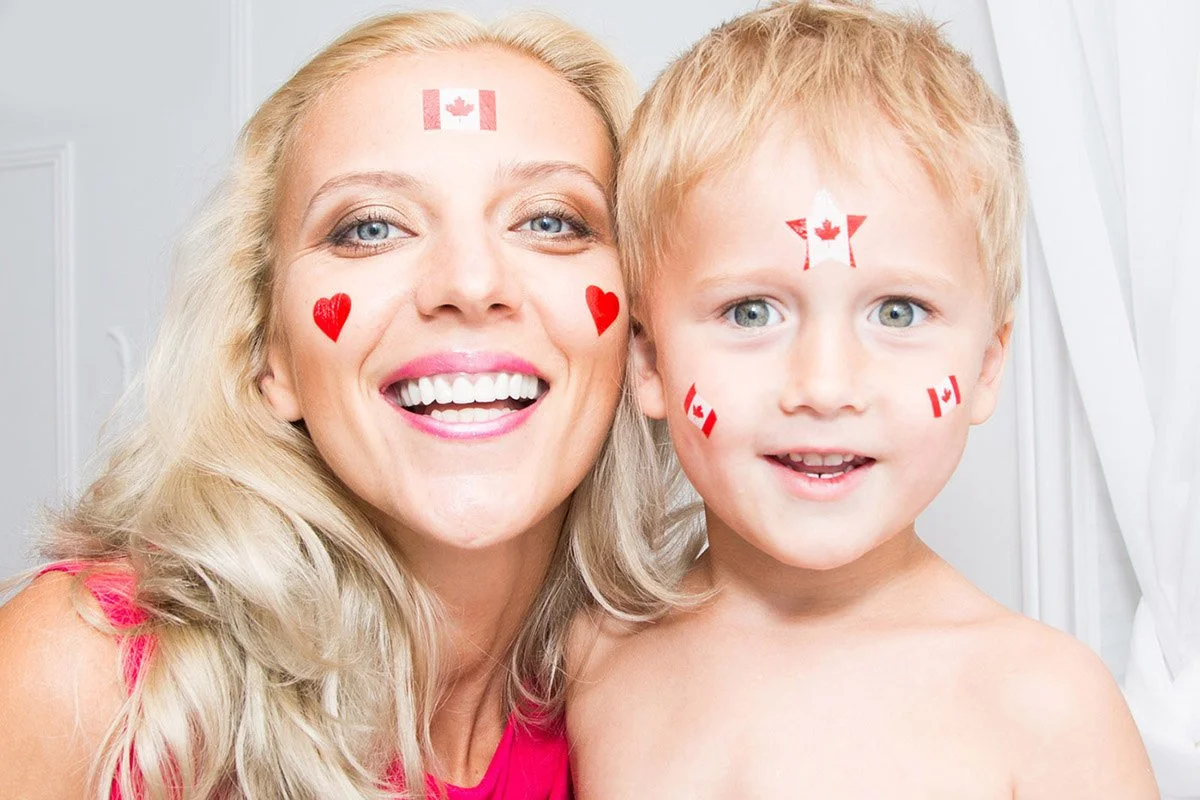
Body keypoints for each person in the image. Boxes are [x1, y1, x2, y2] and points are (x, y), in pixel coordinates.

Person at [0, 10, 684, 799]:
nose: (469, 282)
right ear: (271, 353)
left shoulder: (660, 706)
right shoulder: (89, 679)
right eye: (369, 229)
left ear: (642, 335)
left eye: (550, 220)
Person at [566, 1, 1160, 797]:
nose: (825, 385)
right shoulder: (593, 660)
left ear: (987, 365)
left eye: (898, 312)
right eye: (751, 312)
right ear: (647, 359)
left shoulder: (1043, 705)